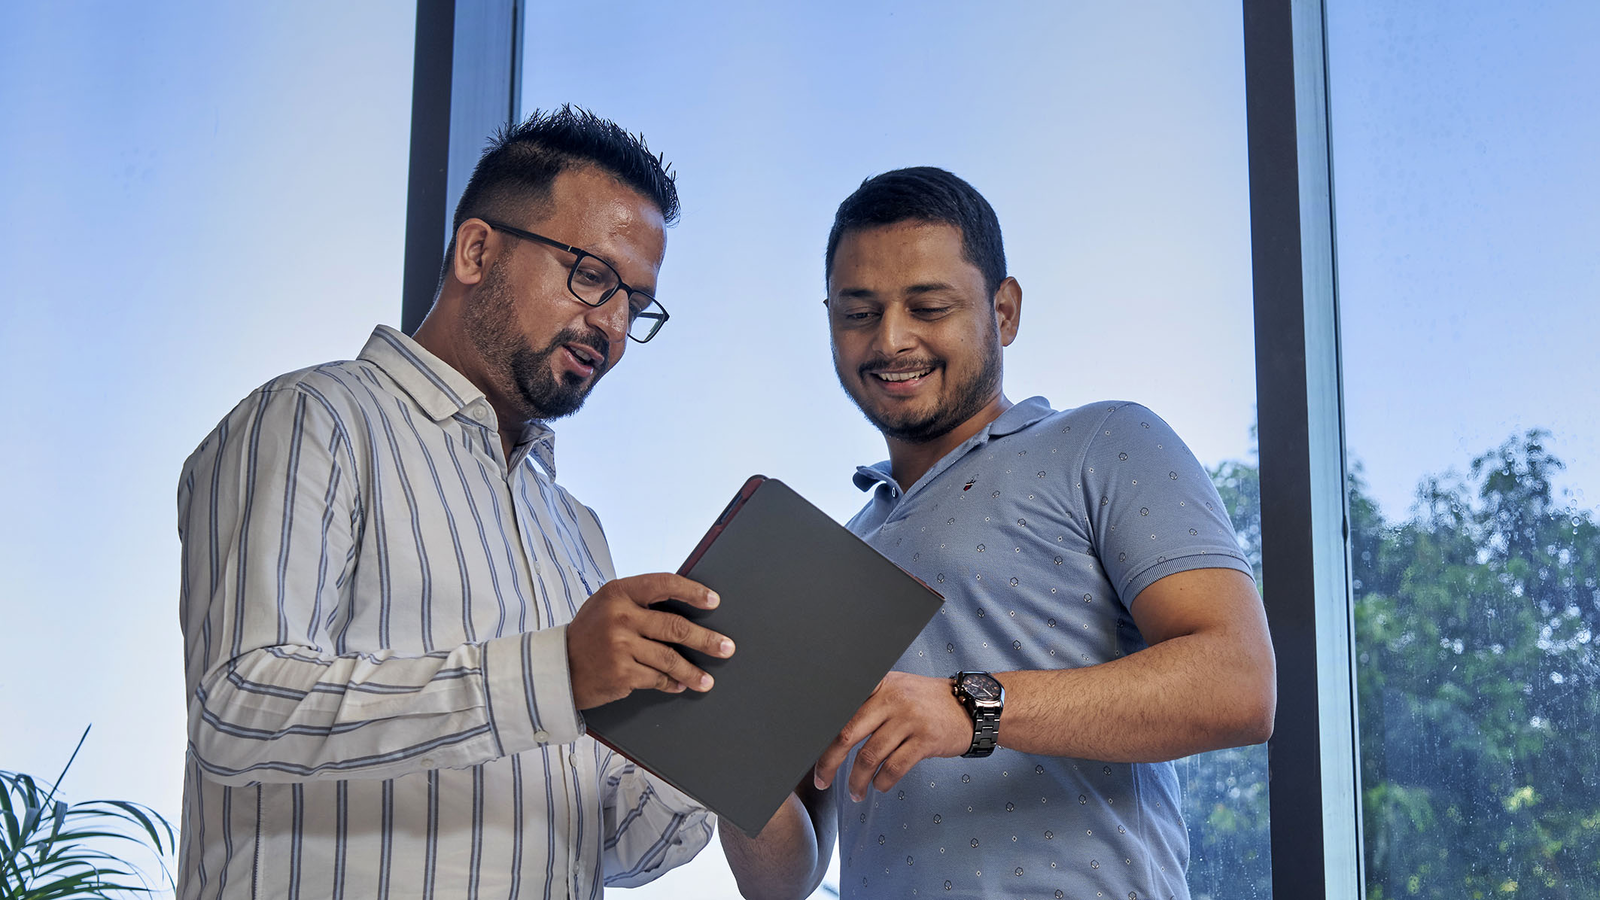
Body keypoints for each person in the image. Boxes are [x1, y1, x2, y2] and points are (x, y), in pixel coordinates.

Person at [175, 107, 737, 900]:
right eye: (592, 277)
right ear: (476, 250)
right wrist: (557, 672)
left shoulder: (575, 531)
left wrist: (720, 734)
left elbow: (614, 848)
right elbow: (241, 707)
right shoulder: (316, 419)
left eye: (635, 306)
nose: (611, 326)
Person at [720, 167, 1276, 900]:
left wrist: (972, 707)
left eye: (928, 306)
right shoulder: (834, 557)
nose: (891, 340)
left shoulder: (1106, 440)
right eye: (859, 313)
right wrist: (723, 765)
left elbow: (1238, 684)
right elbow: (788, 877)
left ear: (1004, 311)